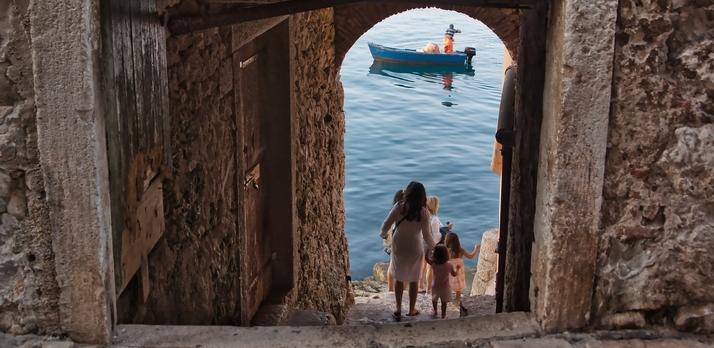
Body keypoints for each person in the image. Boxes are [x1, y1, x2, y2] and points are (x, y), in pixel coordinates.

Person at [380, 181, 436, 319]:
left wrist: (383, 234)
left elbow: (386, 223)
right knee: (414, 279)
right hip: (414, 245)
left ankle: (398, 309)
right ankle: (411, 309)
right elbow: (427, 235)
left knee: (398, 276)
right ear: (422, 196)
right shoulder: (424, 212)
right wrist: (435, 247)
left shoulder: (399, 206)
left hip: (398, 244)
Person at [444, 232, 480, 305]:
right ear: (457, 241)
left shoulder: (446, 251)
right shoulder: (461, 250)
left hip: (449, 273)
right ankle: (457, 301)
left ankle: (447, 300)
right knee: (458, 288)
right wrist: (476, 249)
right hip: (459, 274)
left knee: (448, 286)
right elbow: (471, 256)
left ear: (446, 241)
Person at [425, 244, 459, 319]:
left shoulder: (433, 264)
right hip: (445, 287)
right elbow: (454, 274)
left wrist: (427, 250)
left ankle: (435, 311)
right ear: (446, 255)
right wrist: (457, 269)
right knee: (444, 302)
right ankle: (443, 315)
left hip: (435, 286)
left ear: (435, 255)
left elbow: (426, 259)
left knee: (434, 299)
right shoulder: (449, 265)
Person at [383, 189, 404, 291]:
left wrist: (383, 236)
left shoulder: (392, 211)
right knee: (401, 266)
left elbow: (386, 227)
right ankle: (401, 289)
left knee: (393, 265)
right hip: (398, 242)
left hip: (392, 242)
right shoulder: (401, 211)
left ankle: (390, 289)